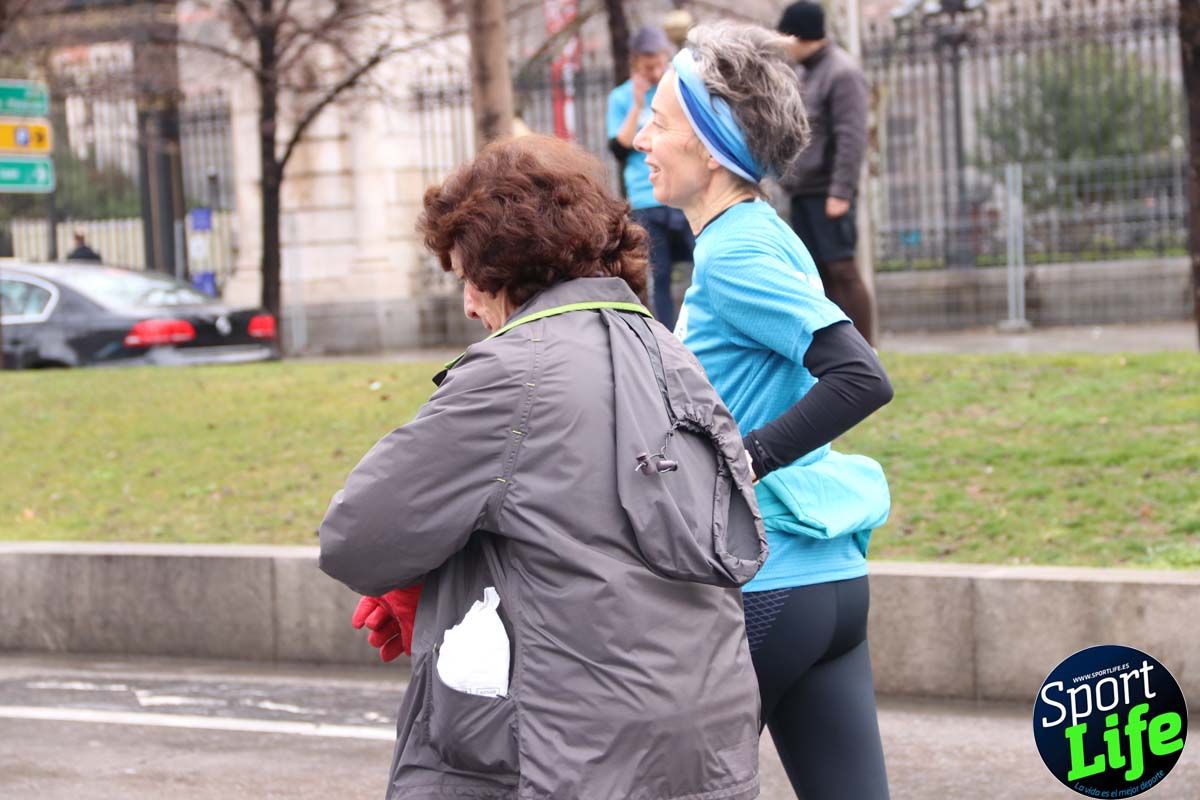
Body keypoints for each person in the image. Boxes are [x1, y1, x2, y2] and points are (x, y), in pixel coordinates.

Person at [319, 135, 767, 800]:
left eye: (467, 276)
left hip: (571, 751)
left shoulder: (512, 372)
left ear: (507, 268)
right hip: (706, 741)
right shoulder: (670, 353)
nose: (468, 303)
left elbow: (356, 538)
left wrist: (430, 574)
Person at [633, 20, 894, 799]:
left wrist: (739, 462)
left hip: (763, 583)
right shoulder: (762, 234)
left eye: (659, 122)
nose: (643, 139)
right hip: (828, 586)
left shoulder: (734, 252)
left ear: (710, 147)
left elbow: (859, 377)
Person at [777, 0, 875, 345]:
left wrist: (841, 192)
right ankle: (842, 353)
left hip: (828, 193)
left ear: (799, 36)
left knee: (843, 270)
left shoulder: (842, 72)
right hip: (804, 192)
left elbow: (852, 136)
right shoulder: (806, 72)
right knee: (818, 277)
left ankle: (868, 351)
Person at [607, 25, 694, 330]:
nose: (655, 72)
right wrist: (637, 104)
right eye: (648, 67)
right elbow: (620, 147)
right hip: (646, 198)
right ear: (635, 65)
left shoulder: (675, 90)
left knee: (700, 263)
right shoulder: (621, 98)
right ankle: (667, 334)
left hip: (680, 193)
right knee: (660, 273)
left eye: (659, 64)